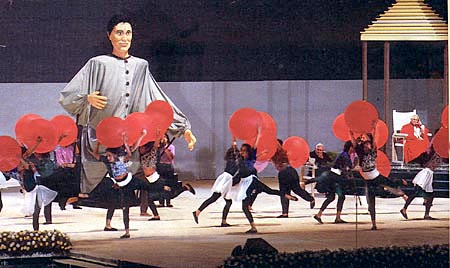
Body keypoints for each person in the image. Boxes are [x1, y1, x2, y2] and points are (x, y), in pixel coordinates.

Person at [59, 14, 197, 194]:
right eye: (119, 33)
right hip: (102, 135)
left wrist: (183, 127)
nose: (124, 38)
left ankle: (162, 190)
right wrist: (87, 98)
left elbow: (157, 98)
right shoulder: (97, 64)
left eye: (128, 33)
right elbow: (67, 96)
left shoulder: (141, 66)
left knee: (133, 176)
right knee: (112, 179)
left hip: (130, 138)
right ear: (109, 35)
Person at [233, 143, 297, 234]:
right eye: (242, 150)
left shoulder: (249, 159)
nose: (242, 152)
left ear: (248, 152)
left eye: (244, 151)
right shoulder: (242, 159)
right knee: (268, 191)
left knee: (247, 205)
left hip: (250, 182)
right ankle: (286, 195)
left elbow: (254, 149)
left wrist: (259, 138)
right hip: (248, 181)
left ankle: (253, 227)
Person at [351, 129, 406, 231]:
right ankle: (374, 224)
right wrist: (351, 133)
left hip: (376, 176)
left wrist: (375, 128)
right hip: (368, 180)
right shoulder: (361, 153)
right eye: (365, 145)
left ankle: (401, 181)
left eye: (368, 145)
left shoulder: (373, 152)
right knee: (371, 201)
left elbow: (374, 140)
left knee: (391, 183)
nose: (367, 146)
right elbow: (354, 143)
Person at [192, 138, 239, 227]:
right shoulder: (233, 160)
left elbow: (234, 149)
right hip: (226, 179)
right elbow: (234, 149)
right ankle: (197, 212)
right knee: (214, 198)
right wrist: (234, 142)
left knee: (228, 202)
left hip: (227, 179)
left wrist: (234, 142)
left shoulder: (233, 160)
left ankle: (223, 222)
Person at [308, 140, 354, 224]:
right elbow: (346, 168)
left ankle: (319, 215)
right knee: (341, 196)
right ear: (350, 147)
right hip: (336, 178)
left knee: (331, 197)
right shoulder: (345, 155)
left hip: (334, 177)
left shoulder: (344, 154)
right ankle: (337, 218)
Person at [271, 140, 315, 218]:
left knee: (293, 190)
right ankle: (285, 213)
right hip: (286, 172)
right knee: (286, 192)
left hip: (287, 171)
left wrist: (270, 136)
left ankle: (310, 199)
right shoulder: (273, 154)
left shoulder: (282, 151)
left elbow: (277, 145)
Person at [400, 152, 441, 220]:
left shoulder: (433, 158)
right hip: (424, 176)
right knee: (416, 193)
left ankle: (426, 214)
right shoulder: (431, 159)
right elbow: (427, 164)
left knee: (429, 195)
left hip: (427, 175)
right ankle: (404, 209)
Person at [54, 143, 82, 210]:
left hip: (72, 170)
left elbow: (76, 156)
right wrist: (71, 165)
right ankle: (62, 204)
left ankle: (75, 203)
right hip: (64, 171)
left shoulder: (71, 148)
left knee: (74, 187)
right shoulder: (59, 149)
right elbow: (61, 164)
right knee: (64, 188)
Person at [157, 133, 176, 207]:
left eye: (164, 137)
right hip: (160, 166)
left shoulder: (171, 147)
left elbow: (171, 158)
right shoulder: (158, 147)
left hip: (168, 166)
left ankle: (168, 201)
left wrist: (166, 150)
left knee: (169, 184)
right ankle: (161, 202)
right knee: (161, 184)